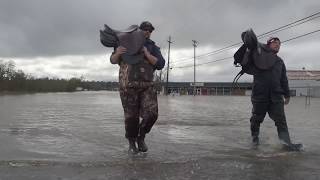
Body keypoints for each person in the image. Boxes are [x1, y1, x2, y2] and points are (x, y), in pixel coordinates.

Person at [110, 21, 165, 154]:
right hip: (127, 86)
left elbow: (161, 64)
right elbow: (113, 60)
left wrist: (147, 53)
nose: (147, 32)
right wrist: (117, 53)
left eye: (150, 30)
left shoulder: (152, 46)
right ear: (139, 30)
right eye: (145, 29)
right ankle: (131, 143)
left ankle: (141, 136)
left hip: (147, 86)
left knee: (152, 114)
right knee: (131, 117)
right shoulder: (124, 41)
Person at [249, 37, 302, 151]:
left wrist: (287, 94)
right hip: (260, 95)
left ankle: (286, 144)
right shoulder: (259, 57)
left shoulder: (280, 61)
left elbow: (283, 79)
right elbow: (250, 51)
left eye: (279, 44)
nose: (277, 45)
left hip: (276, 96)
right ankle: (255, 141)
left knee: (281, 121)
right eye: (274, 43)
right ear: (268, 45)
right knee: (256, 120)